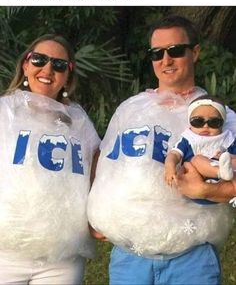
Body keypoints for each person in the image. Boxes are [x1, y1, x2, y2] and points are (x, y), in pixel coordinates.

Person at [87, 15, 236, 285]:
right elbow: (106, 163)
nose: (166, 60)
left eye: (176, 51)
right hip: (129, 257)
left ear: (196, 52)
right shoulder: (131, 108)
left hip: (191, 258)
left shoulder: (218, 115)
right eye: (157, 53)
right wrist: (97, 213)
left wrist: (207, 191)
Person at [0, 34, 100, 284]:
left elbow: (98, 168)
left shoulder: (78, 121)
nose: (47, 69)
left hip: (61, 260)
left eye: (58, 64)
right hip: (6, 253)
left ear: (68, 73)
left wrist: (102, 215)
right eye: (39, 60)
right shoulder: (5, 111)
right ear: (25, 64)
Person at [165, 94, 236, 205]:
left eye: (214, 122)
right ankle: (220, 172)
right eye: (198, 122)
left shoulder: (228, 138)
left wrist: (231, 159)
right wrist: (170, 167)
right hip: (194, 183)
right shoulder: (189, 138)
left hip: (224, 187)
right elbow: (174, 154)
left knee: (232, 160)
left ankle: (225, 173)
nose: (205, 126)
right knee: (196, 160)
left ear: (223, 123)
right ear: (190, 122)